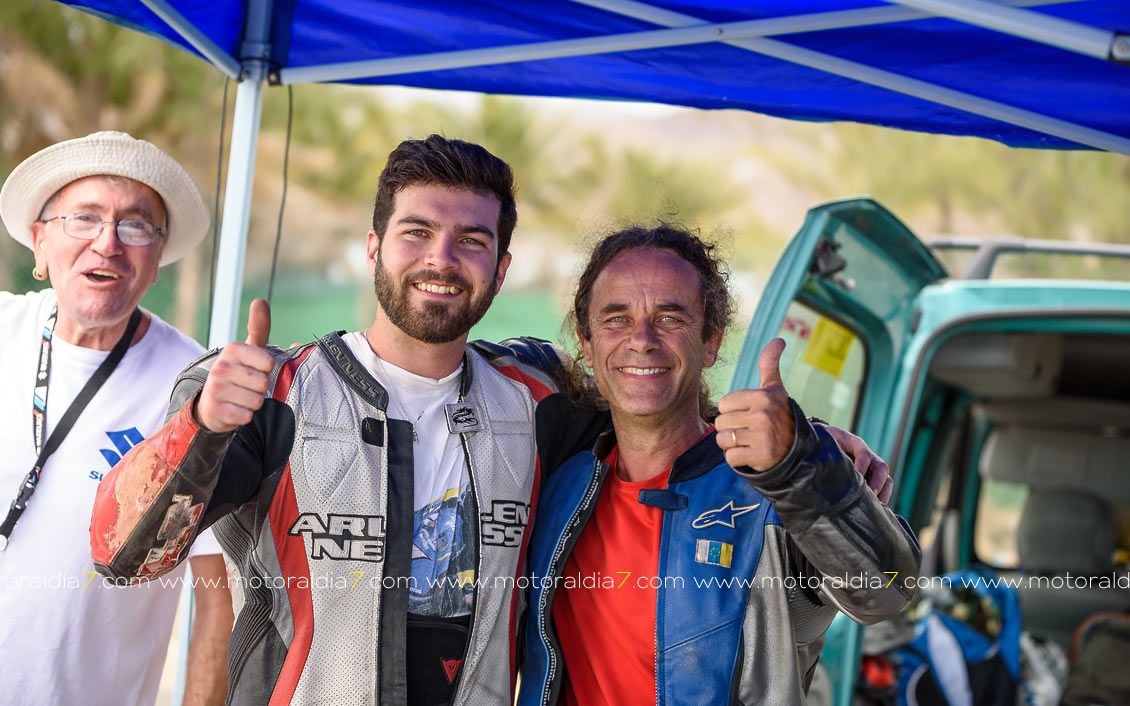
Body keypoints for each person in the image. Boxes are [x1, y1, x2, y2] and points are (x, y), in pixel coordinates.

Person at [519, 224, 922, 705]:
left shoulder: (773, 497)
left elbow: (887, 591)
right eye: (616, 319)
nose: (641, 340)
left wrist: (803, 467)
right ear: (587, 344)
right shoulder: (557, 482)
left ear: (710, 341)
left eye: (670, 318)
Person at [0, 131, 233, 706]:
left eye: (135, 225)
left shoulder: (195, 392)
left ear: (157, 260)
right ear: (40, 241)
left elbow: (219, 593)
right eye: (84, 218)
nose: (107, 243)